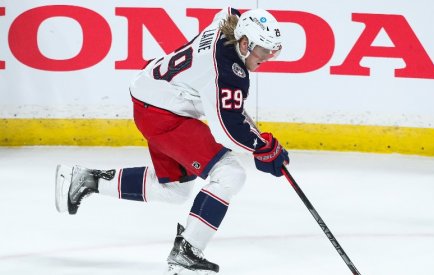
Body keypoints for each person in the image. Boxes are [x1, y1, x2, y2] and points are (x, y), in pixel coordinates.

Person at [55, 7, 289, 274]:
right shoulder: (227, 72)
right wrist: (264, 148)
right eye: (263, 51)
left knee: (174, 189)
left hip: (153, 97)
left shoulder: (225, 28)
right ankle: (188, 251)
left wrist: (261, 144)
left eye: (273, 51)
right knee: (230, 174)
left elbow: (227, 12)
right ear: (244, 44)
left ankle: (85, 179)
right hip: (163, 114)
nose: (267, 58)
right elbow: (227, 130)